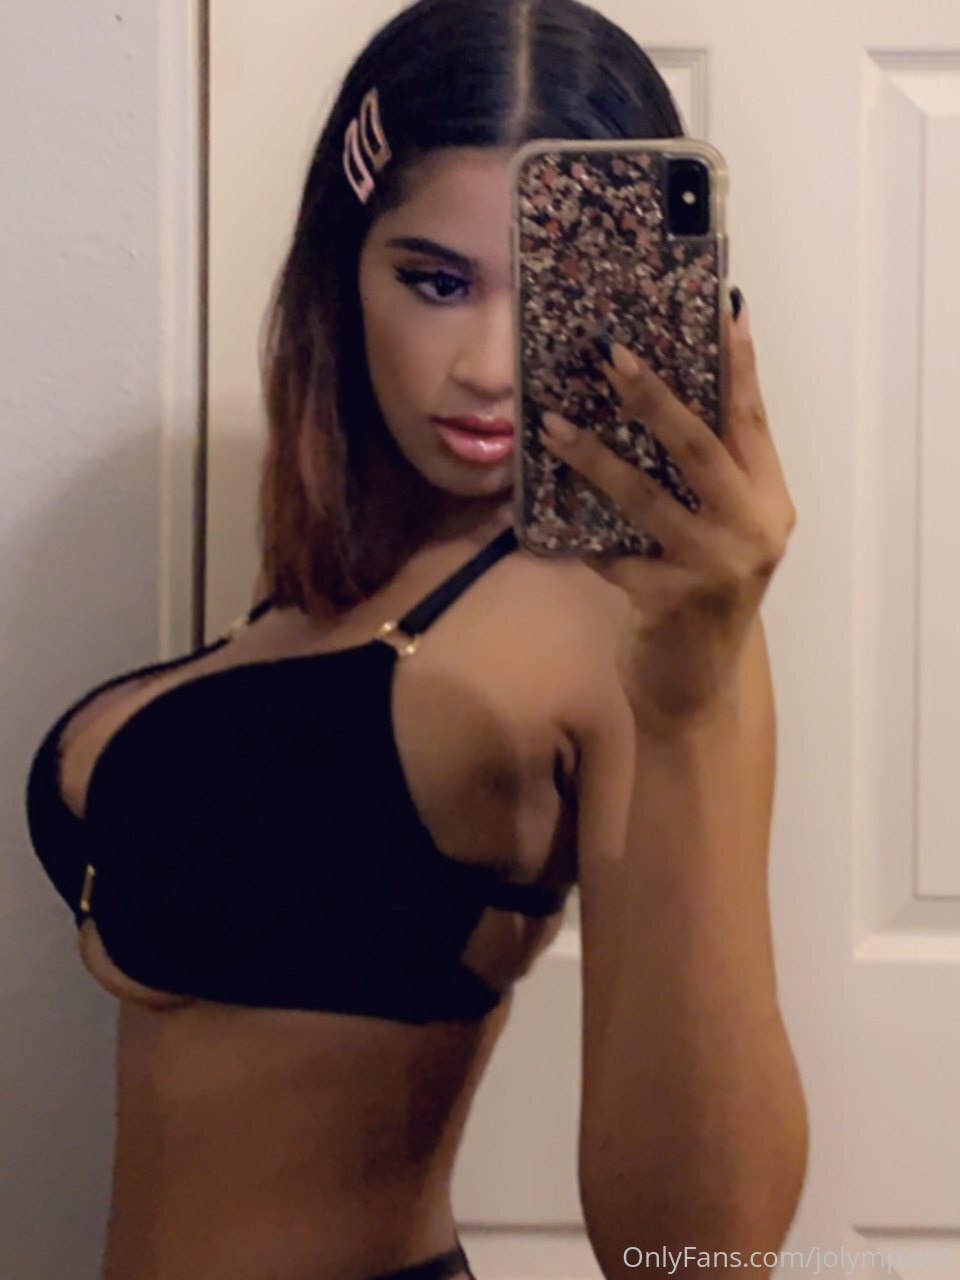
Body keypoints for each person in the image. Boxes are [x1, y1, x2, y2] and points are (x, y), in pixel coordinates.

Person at [23, 0, 807, 1277]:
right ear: (345, 267)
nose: (489, 365)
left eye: (546, 294)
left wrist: (694, 701)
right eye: (437, 281)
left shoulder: (625, 613)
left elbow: (701, 1256)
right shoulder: (338, 571)